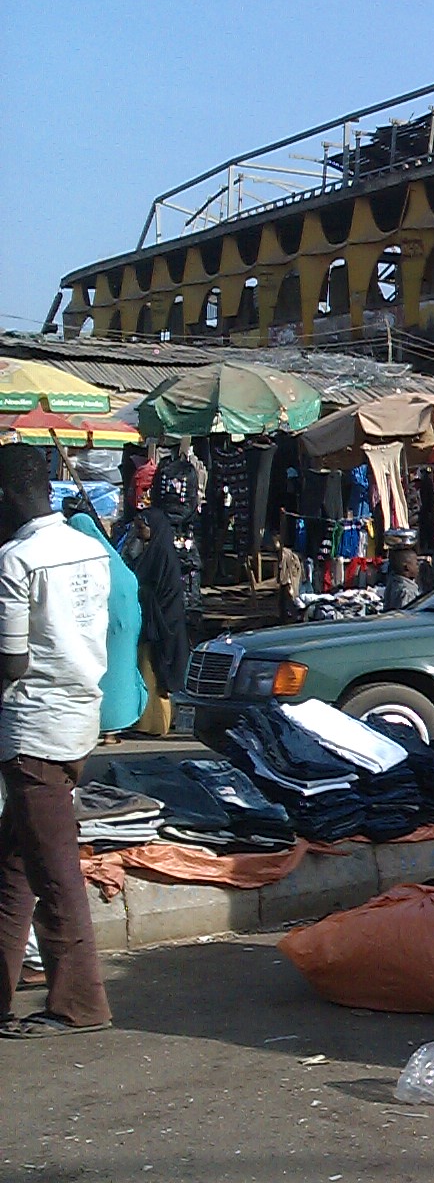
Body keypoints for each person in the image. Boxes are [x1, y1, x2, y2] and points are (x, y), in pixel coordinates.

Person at [0, 443, 115, 1037]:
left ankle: (79, 1005)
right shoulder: (89, 547)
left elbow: (12, 661)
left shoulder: (16, 560)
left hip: (32, 727)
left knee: (51, 872)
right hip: (76, 721)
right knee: (17, 863)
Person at [64, 506, 146, 738]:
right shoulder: (115, 562)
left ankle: (98, 724)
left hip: (97, 630)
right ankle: (114, 728)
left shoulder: (81, 563)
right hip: (125, 630)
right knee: (121, 674)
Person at [127, 506, 188, 738]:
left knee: (156, 674)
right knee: (147, 672)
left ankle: (156, 725)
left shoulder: (162, 554)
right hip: (154, 622)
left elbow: (161, 593)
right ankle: (144, 722)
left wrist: (138, 589)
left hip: (164, 624)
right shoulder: (151, 551)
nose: (139, 531)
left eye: (141, 527)